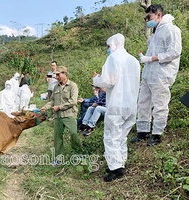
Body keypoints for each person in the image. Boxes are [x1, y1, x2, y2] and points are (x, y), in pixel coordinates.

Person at [132, 4, 182, 146]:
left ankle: (157, 134)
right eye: (146, 18)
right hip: (149, 73)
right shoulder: (155, 32)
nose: (147, 20)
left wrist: (152, 58)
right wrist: (145, 58)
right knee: (143, 102)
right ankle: (143, 131)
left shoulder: (171, 29)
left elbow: (174, 52)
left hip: (162, 73)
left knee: (160, 103)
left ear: (158, 15)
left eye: (149, 17)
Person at [93, 33, 140, 182]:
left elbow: (107, 81)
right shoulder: (133, 61)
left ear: (113, 44)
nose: (108, 49)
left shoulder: (113, 58)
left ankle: (115, 169)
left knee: (112, 136)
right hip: (131, 105)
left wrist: (96, 79)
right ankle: (120, 162)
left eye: (108, 46)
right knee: (122, 136)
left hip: (117, 104)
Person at [40, 66, 83, 166]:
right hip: (58, 116)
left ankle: (79, 155)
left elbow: (73, 101)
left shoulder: (72, 86)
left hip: (69, 115)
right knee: (57, 137)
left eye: (58, 74)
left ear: (65, 74)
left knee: (74, 134)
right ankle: (58, 159)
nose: (56, 77)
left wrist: (59, 107)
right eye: (56, 75)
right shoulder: (56, 87)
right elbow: (52, 101)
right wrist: (45, 107)